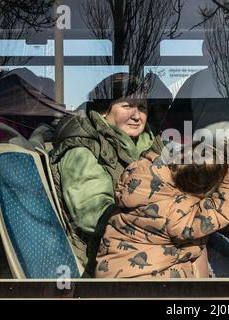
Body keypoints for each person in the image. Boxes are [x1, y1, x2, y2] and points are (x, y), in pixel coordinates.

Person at [94, 141, 229, 278]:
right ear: (203, 191)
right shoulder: (179, 214)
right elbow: (222, 208)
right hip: (144, 285)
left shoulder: (145, 175)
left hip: (109, 274)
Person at [51, 72, 162, 269]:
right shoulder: (83, 147)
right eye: (127, 106)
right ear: (104, 110)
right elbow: (93, 213)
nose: (136, 116)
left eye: (142, 107)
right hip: (103, 253)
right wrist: (160, 221)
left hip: (147, 242)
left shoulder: (154, 143)